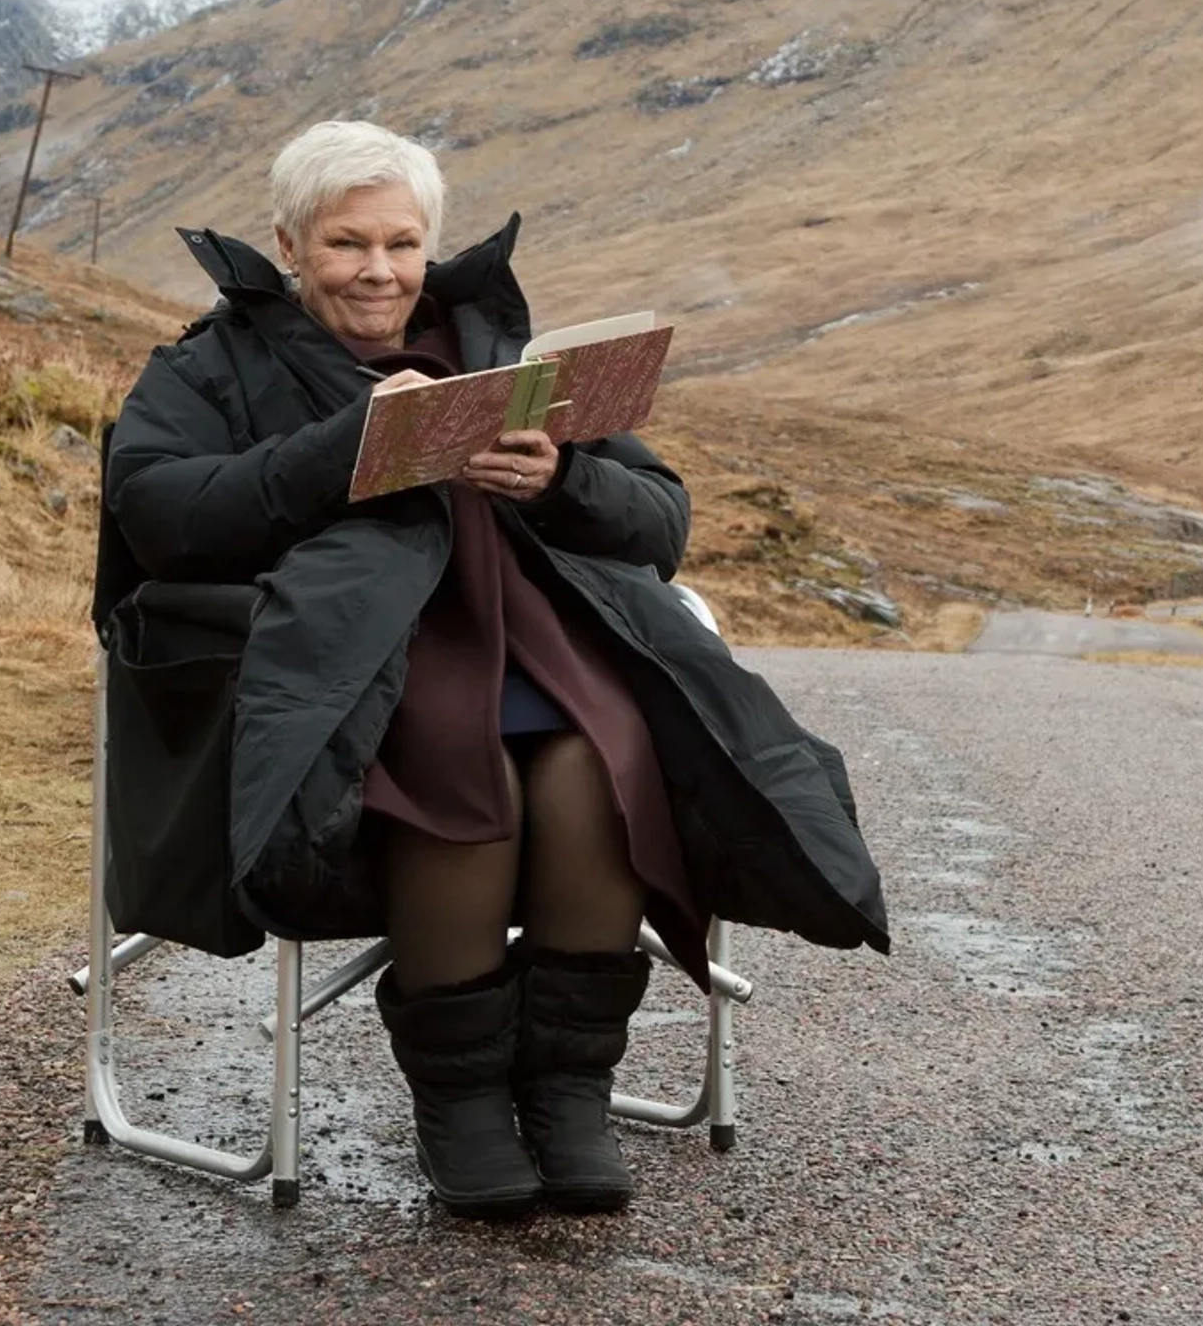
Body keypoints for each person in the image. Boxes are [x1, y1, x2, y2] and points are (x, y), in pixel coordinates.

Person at [103, 119, 886, 1221]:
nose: (379, 271)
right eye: (345, 245)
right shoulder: (208, 367)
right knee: (463, 776)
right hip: (352, 675)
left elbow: (662, 525)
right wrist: (349, 454)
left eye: (400, 244)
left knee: (593, 773)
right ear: (289, 244)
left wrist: (560, 478)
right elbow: (160, 520)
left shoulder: (509, 359)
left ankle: (568, 1090)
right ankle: (461, 1100)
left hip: (539, 647)